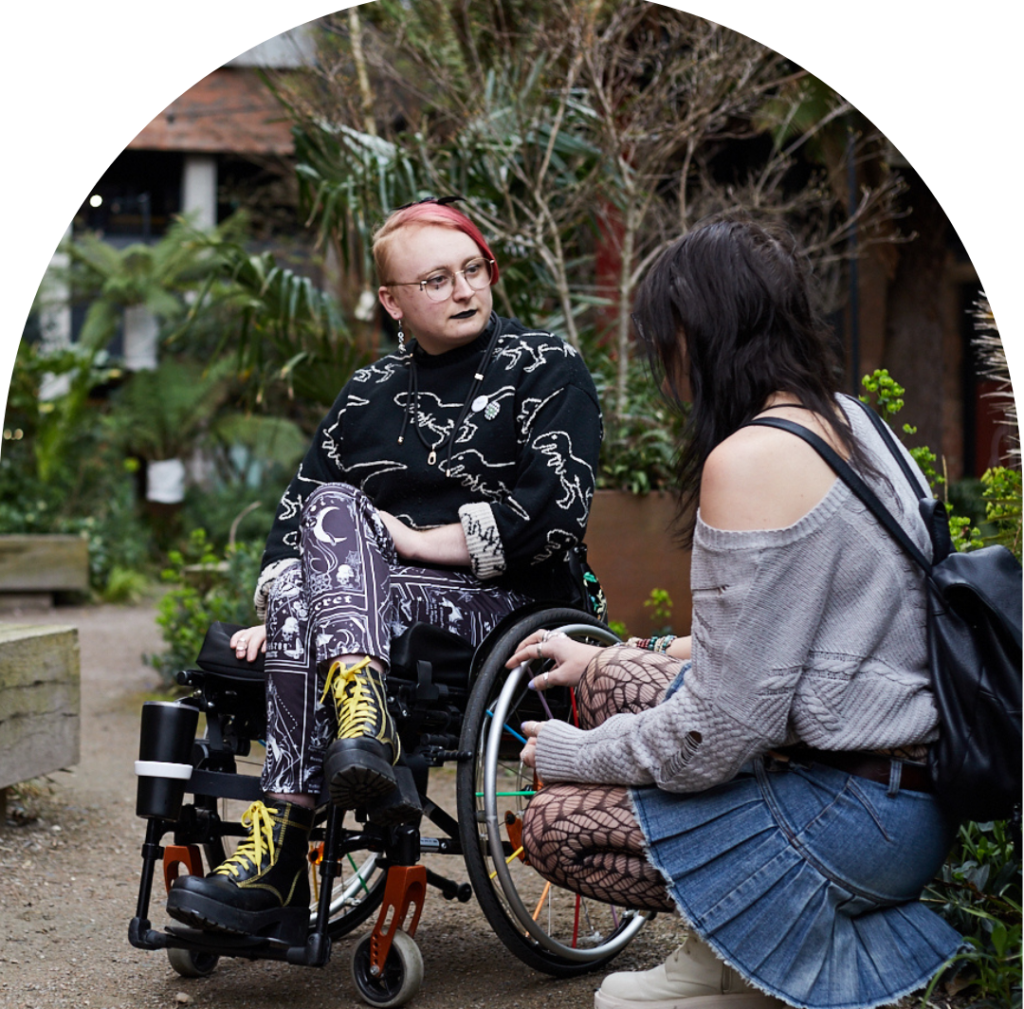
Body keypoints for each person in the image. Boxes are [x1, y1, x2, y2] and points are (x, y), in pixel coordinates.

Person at [505, 218, 963, 1009]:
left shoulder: (747, 460)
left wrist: (577, 752)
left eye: (662, 342)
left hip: (853, 819)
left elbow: (715, 735)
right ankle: (726, 953)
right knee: (614, 679)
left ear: (698, 333)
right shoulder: (855, 422)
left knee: (554, 824)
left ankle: (773, 961)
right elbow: (789, 643)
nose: (663, 367)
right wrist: (620, 657)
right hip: (913, 796)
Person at [165, 196, 604, 942]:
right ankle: (359, 723)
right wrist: (286, 604)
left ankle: (279, 857)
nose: (464, 290)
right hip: (366, 612)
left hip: (509, 608)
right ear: (392, 301)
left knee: (331, 555)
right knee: (331, 506)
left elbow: (554, 512)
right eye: (436, 280)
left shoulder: (545, 367)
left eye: (473, 270)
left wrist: (410, 539)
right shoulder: (366, 395)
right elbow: (289, 533)